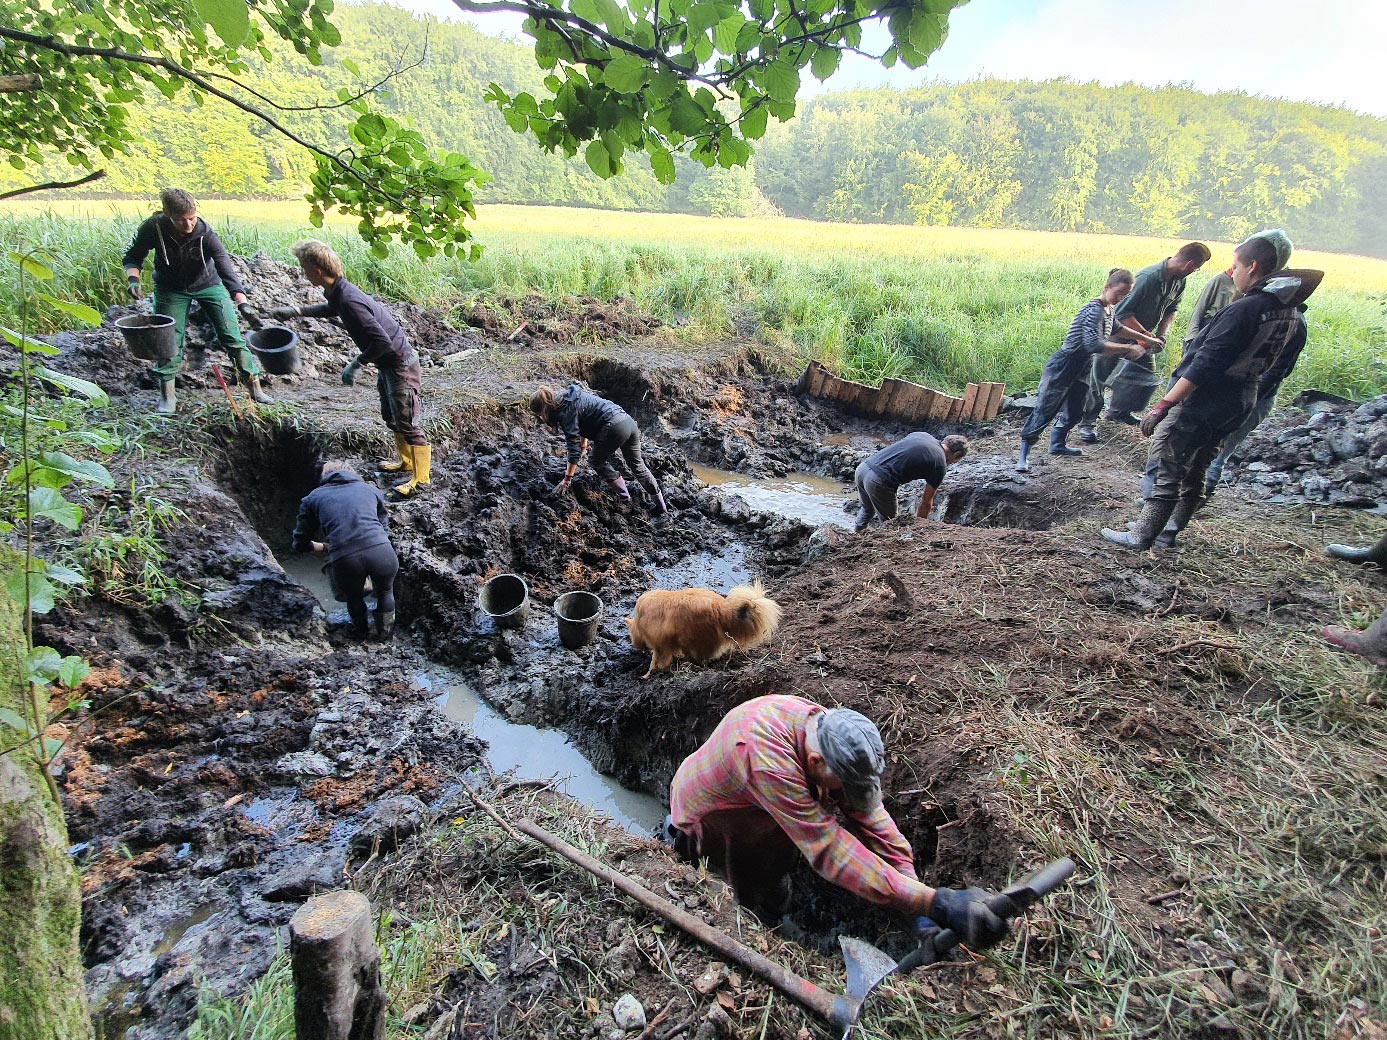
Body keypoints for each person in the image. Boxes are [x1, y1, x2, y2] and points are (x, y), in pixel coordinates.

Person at [666, 695, 1009, 947]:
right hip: (714, 816)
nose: (847, 798)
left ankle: (771, 912)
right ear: (815, 763)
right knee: (744, 892)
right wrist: (937, 902)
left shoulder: (832, 731)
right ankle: (759, 933)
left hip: (764, 808)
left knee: (776, 871)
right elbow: (830, 850)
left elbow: (874, 821)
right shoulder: (765, 758)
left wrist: (920, 902)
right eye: (843, 789)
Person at [1102, 233, 1322, 550]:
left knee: (1170, 460)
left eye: (1236, 265)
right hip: (1241, 397)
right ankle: (1170, 530)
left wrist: (1163, 404)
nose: (1232, 272)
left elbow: (1205, 364)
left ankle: (1142, 534)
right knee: (1200, 464)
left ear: (1254, 265)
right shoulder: (1292, 313)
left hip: (1205, 398)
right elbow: (1278, 369)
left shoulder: (1245, 310)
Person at [273, 241, 431, 499]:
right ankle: (407, 463)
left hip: (400, 364)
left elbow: (383, 341)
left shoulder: (349, 300)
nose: (303, 274)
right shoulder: (338, 292)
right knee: (392, 418)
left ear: (317, 270)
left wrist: (355, 364)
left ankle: (421, 480)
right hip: (388, 364)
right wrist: (296, 311)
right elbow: (330, 309)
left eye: (304, 269)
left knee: (407, 422)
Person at [121, 188, 272, 415]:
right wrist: (133, 280)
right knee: (168, 340)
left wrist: (243, 304)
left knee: (232, 336)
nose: (188, 224)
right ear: (167, 215)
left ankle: (254, 387)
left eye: (192, 218)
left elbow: (226, 270)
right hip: (170, 288)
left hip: (208, 285)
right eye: (181, 220)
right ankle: (167, 396)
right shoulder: (153, 228)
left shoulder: (206, 234)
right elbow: (133, 256)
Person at [1076, 242, 1210, 438]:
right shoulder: (1148, 278)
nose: (1194, 272)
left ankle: (1119, 412)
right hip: (1117, 334)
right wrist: (1146, 336)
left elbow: (1171, 310)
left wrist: (1161, 335)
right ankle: (1087, 422)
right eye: (1196, 269)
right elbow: (1122, 313)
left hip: (1144, 337)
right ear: (1189, 264)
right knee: (1099, 378)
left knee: (1144, 374)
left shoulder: (1179, 281)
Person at [1016, 269, 1144, 472]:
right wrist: (1128, 348)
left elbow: (1117, 329)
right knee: (1045, 408)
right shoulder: (1093, 309)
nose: (1120, 298)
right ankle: (1023, 456)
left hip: (1084, 365)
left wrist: (1146, 338)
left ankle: (1057, 444)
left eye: (1125, 295)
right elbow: (1094, 344)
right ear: (1107, 287)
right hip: (1064, 364)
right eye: (1118, 293)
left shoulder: (1109, 310)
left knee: (1077, 409)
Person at [291, 460, 399, 639]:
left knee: (353, 597)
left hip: (345, 559)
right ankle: (384, 637)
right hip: (382, 551)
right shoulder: (370, 489)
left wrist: (323, 547)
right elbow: (383, 524)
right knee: (386, 591)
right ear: (353, 473)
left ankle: (362, 634)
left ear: (324, 477)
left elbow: (300, 542)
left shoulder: (313, 498)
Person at [529, 383, 667, 512]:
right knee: (638, 466)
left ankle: (625, 498)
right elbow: (584, 420)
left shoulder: (564, 412)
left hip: (613, 427)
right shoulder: (569, 396)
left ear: (543, 410)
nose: (541, 418)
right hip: (627, 421)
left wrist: (567, 479)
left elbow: (573, 448)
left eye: (539, 415)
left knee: (595, 461)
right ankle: (661, 507)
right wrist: (584, 445)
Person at [854, 432, 967, 532]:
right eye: (954, 461)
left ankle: (855, 537)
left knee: (867, 509)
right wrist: (918, 529)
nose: (950, 463)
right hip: (878, 480)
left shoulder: (923, 435)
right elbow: (926, 503)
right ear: (956, 454)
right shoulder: (940, 464)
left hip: (863, 468)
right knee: (892, 525)